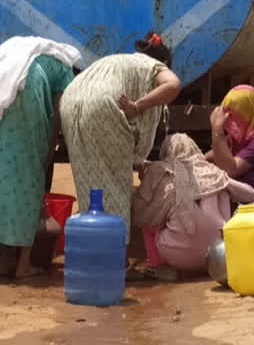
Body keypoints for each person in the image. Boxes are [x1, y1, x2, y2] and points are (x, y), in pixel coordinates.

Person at [0, 37, 80, 279]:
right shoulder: (63, 69)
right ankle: (25, 264)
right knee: (28, 177)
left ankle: (5, 261)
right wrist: (50, 148)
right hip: (26, 87)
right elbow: (63, 112)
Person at [60, 35, 181, 233]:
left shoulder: (115, 61)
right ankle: (116, 252)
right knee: (116, 182)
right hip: (103, 103)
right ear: (165, 61)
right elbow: (173, 85)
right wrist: (137, 106)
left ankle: (90, 238)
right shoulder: (153, 65)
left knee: (90, 181)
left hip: (70, 100)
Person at [133, 133, 254, 280]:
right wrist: (224, 182)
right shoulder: (212, 172)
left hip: (178, 254)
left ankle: (158, 267)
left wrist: (146, 181)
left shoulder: (160, 172)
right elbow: (251, 195)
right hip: (220, 253)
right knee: (222, 194)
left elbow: (139, 215)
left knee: (151, 217)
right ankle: (210, 266)